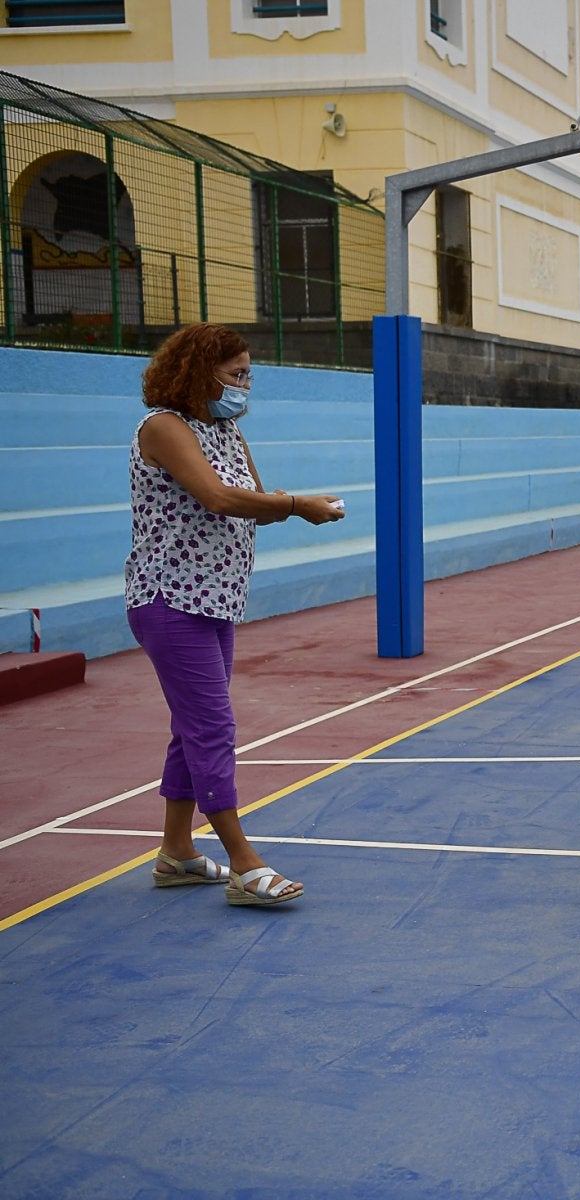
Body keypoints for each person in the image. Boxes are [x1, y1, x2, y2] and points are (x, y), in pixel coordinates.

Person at [126, 323, 344, 906]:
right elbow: (219, 499)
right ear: (199, 373)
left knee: (190, 727)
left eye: (249, 375)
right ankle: (245, 865)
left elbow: (255, 502)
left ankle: (176, 855)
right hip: (170, 600)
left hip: (216, 599)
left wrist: (297, 504)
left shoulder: (224, 431)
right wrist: (296, 506)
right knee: (213, 728)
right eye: (236, 375)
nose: (245, 386)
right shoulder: (165, 428)